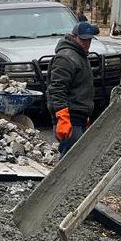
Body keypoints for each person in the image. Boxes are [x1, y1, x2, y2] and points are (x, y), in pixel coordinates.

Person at [48, 21, 99, 157]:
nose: (86, 43)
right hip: (70, 118)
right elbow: (57, 89)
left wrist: (85, 115)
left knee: (75, 158)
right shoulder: (66, 58)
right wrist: (62, 117)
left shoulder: (80, 55)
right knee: (70, 160)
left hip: (78, 117)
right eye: (83, 40)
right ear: (73, 37)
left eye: (89, 40)